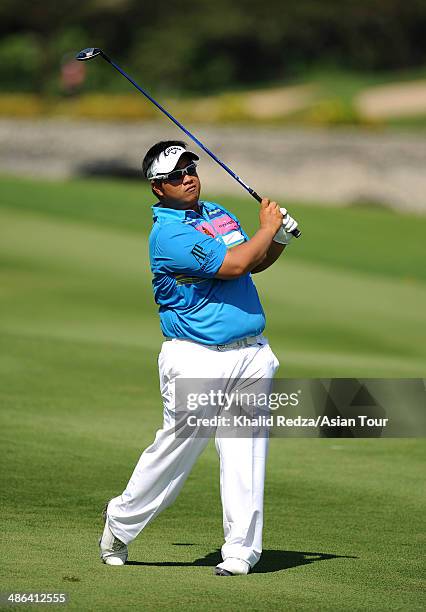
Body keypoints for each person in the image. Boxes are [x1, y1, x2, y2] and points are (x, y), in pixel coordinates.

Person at [99, 140, 298, 576]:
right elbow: (232, 265)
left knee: (246, 453)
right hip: (196, 358)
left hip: (250, 354)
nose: (187, 177)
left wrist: (278, 235)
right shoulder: (167, 235)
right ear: (157, 188)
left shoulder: (215, 212)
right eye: (175, 175)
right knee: (178, 449)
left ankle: (241, 551)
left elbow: (254, 261)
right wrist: (266, 226)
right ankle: (121, 522)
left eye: (190, 168)